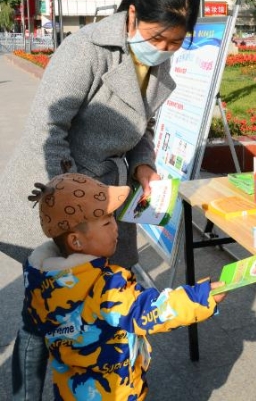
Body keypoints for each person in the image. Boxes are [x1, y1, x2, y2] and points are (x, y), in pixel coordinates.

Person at [0, 0, 200, 400]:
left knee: (104, 300)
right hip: (59, 197)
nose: (164, 49)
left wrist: (144, 166)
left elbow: (142, 129)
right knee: (46, 313)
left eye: (175, 42)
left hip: (107, 198)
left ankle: (100, 382)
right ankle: (27, 393)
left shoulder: (156, 68)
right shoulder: (86, 49)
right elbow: (47, 129)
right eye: (158, 36)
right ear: (132, 14)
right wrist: (79, 203)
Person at [24, 171, 225, 399]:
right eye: (107, 221)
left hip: (69, 390)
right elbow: (147, 311)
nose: (116, 227)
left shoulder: (39, 279)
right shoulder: (107, 283)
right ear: (76, 241)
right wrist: (200, 297)